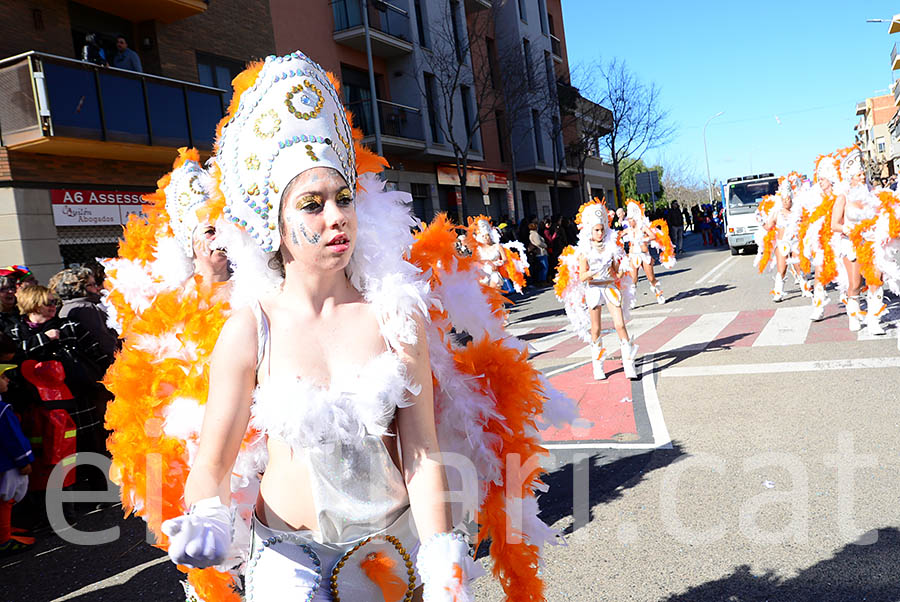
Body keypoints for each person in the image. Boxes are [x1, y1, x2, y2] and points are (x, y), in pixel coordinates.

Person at [161, 51, 478, 601]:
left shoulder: (396, 318)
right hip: (289, 564)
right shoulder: (249, 329)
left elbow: (421, 451)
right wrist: (209, 515)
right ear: (273, 222)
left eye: (343, 198)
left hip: (392, 554)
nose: (336, 217)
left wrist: (441, 554)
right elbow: (212, 462)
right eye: (311, 204)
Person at [554, 200, 638, 380]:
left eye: (602, 229)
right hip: (593, 290)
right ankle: (598, 365)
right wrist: (594, 272)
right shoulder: (584, 251)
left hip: (609, 287)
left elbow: (617, 271)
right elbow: (582, 276)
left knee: (620, 325)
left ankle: (629, 364)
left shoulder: (612, 247)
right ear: (589, 230)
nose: (600, 233)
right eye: (596, 230)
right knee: (596, 329)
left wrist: (620, 268)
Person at [830, 148, 885, 334]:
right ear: (850, 177)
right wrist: (848, 229)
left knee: (876, 279)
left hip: (872, 243)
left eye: (863, 174)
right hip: (851, 243)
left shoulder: (874, 194)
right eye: (859, 174)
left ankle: (874, 320)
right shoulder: (843, 197)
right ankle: (853, 314)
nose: (863, 177)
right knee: (855, 283)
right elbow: (834, 225)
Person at [0, 363, 34, 556]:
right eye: (3, 376)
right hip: (7, 463)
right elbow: (13, 438)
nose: (8, 380)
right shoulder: (2, 410)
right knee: (7, 496)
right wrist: (24, 461)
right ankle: (4, 539)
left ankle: (4, 531)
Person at [49, 268, 118, 359]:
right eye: (90, 285)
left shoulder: (65, 307)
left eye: (95, 284)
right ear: (77, 288)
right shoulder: (85, 308)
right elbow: (103, 340)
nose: (96, 288)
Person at [623, 200, 676, 304]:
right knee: (633, 279)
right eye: (628, 220)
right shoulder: (628, 230)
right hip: (633, 256)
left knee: (651, 278)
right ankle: (632, 299)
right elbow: (618, 235)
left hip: (644, 255)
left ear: (635, 219)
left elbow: (653, 236)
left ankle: (658, 294)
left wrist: (644, 239)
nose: (629, 222)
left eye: (630, 219)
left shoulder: (643, 227)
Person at [528, 220, 549, 284]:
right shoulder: (535, 234)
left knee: (542, 267)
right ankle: (542, 280)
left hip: (539, 252)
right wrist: (545, 245)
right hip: (540, 252)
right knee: (544, 267)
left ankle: (542, 280)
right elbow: (538, 242)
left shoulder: (532, 234)